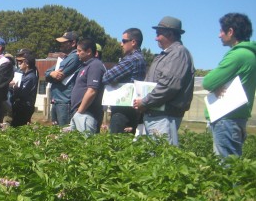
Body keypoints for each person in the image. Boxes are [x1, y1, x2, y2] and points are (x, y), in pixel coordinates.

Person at [133, 16, 195, 146]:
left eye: (158, 34)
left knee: (163, 158)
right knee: (155, 156)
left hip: (165, 117)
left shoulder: (178, 53)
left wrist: (145, 101)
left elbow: (168, 86)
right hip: (156, 115)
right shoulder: (166, 54)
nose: (156, 38)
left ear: (170, 34)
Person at [202, 13, 256, 157]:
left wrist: (215, 85)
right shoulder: (251, 54)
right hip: (238, 117)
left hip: (227, 118)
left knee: (226, 170)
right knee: (233, 166)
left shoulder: (238, 55)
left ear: (230, 32)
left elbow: (208, 81)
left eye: (221, 31)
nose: (219, 35)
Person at [102, 28, 147, 133]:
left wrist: (115, 80)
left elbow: (106, 77)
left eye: (124, 41)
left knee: (115, 144)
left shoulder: (132, 59)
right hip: (132, 109)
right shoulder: (141, 58)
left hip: (123, 110)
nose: (121, 44)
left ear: (133, 42)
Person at [69, 39, 106, 133]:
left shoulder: (95, 65)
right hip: (80, 113)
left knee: (85, 145)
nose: (77, 53)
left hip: (87, 114)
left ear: (89, 51)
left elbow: (92, 91)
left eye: (79, 51)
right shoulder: (85, 66)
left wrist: (80, 111)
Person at [46, 31, 82, 126]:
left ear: (73, 43)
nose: (61, 44)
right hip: (58, 100)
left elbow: (58, 77)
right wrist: (51, 74)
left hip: (65, 101)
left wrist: (51, 75)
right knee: (57, 132)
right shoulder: (65, 58)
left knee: (64, 134)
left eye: (64, 42)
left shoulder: (74, 57)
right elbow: (47, 73)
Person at [11, 53, 38, 127]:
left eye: (21, 62)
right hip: (21, 106)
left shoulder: (30, 77)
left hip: (24, 107)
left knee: (19, 127)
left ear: (27, 64)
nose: (19, 64)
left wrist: (15, 87)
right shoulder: (25, 76)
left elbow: (23, 93)